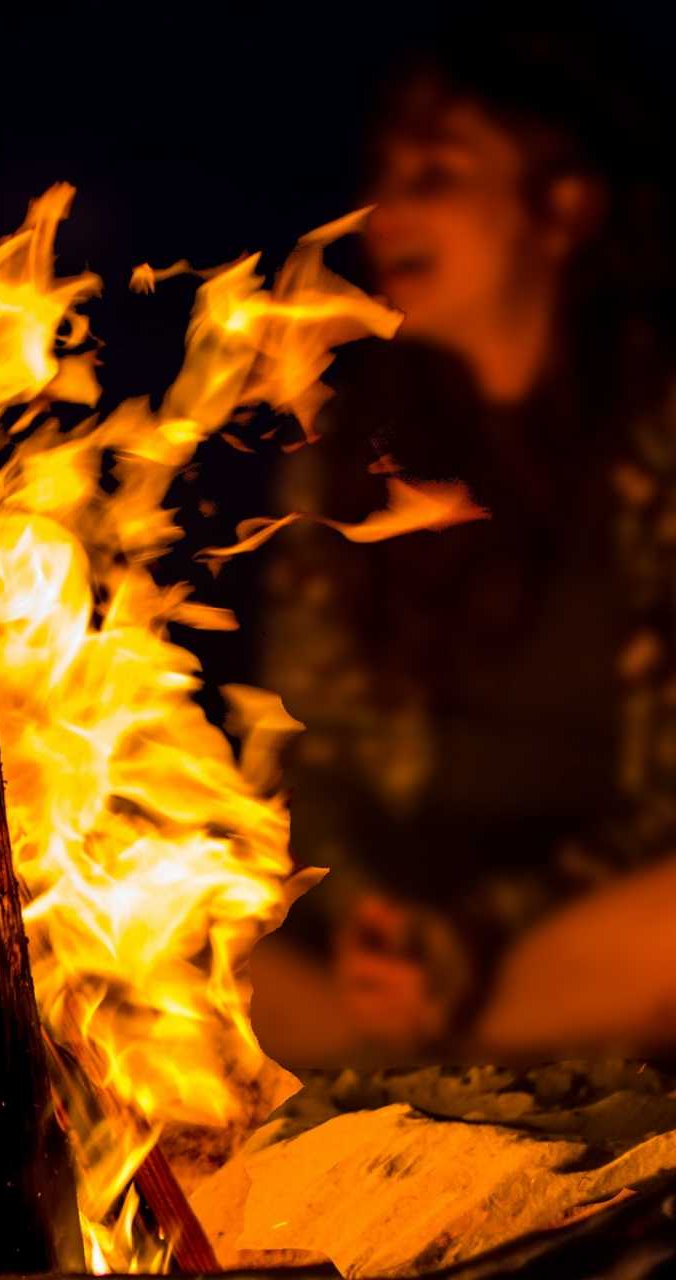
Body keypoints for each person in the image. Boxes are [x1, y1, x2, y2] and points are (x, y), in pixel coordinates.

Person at [248, 34, 675, 1063]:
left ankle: (437, 1048)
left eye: (435, 176)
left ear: (565, 207)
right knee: (153, 945)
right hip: (385, 949)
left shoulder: (656, 434)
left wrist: (478, 931)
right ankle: (408, 1042)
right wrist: (368, 921)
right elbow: (315, 749)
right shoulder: (348, 459)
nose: (389, 215)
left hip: (578, 933)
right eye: (383, 183)